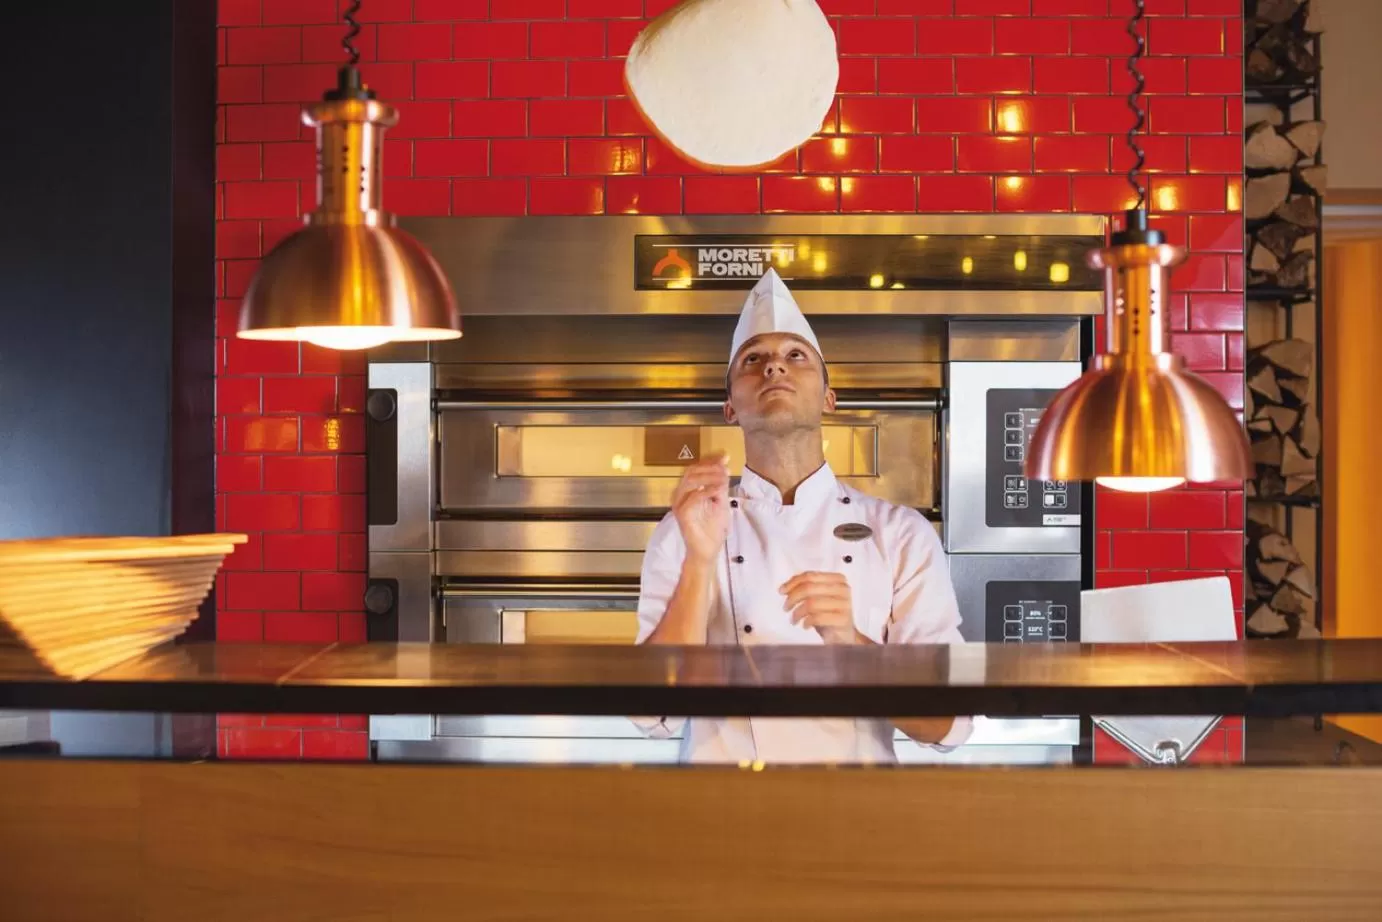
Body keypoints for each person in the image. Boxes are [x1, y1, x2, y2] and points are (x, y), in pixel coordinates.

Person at [634, 268, 972, 764]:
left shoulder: (901, 534)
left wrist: (852, 645)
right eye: (754, 359)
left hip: (855, 813)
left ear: (829, 400)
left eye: (796, 355)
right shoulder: (686, 529)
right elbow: (650, 712)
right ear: (730, 408)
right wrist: (700, 563)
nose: (774, 367)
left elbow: (949, 723)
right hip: (720, 810)